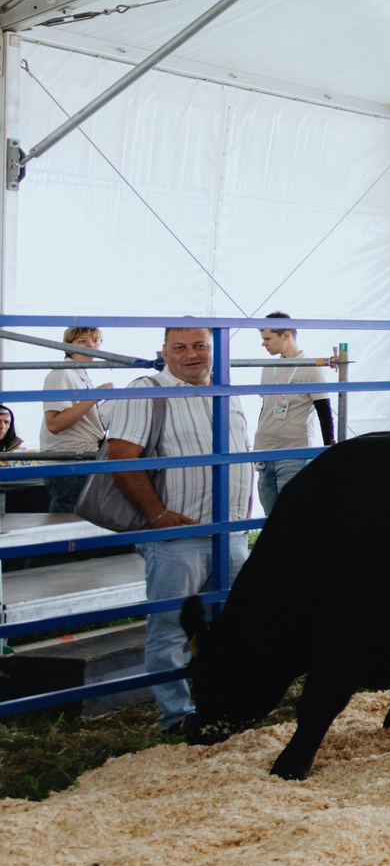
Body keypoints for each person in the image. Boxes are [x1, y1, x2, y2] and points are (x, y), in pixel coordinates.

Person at [100, 327, 253, 731]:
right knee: (170, 628)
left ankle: (229, 705)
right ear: (164, 353)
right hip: (177, 537)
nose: (192, 354)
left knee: (236, 624)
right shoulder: (147, 391)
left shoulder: (225, 392)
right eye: (180, 347)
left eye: (200, 345)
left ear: (213, 351)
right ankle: (177, 716)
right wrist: (156, 515)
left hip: (231, 534)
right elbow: (120, 457)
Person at [251, 313, 334, 513]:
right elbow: (266, 407)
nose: (264, 344)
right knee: (270, 517)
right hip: (265, 451)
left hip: (293, 453)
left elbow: (325, 412)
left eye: (267, 338)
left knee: (291, 514)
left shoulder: (311, 369)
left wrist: (328, 450)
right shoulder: (267, 368)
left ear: (286, 334)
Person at [41, 326, 108, 513]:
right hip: (71, 464)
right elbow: (54, 424)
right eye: (82, 341)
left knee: (72, 522)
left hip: (80, 460)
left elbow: (81, 418)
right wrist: (95, 396)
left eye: (95, 341)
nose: (90, 345)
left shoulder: (81, 375)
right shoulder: (62, 373)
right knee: (72, 524)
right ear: (68, 347)